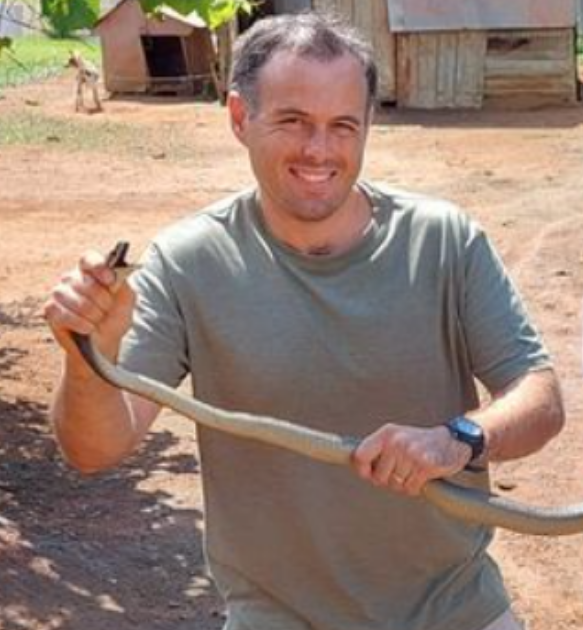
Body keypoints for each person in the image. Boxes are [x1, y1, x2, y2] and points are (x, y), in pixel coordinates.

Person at [42, 13, 564, 630]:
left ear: (368, 125)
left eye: (343, 126)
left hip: (457, 612)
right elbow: (94, 449)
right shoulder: (190, 262)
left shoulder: (443, 241)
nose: (320, 150)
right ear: (240, 117)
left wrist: (456, 439)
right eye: (293, 122)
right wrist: (89, 356)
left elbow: (540, 397)